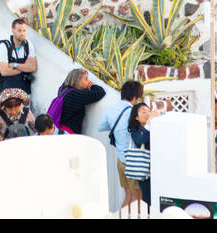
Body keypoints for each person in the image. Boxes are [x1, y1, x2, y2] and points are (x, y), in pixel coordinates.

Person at [99, 79, 146, 209]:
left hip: (121, 160)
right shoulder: (134, 112)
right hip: (134, 161)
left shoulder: (113, 110)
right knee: (137, 199)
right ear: (136, 97)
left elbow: (101, 127)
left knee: (128, 196)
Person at [49, 67, 106, 134]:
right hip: (67, 132)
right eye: (86, 79)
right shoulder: (75, 95)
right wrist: (92, 86)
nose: (88, 81)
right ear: (78, 81)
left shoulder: (63, 89)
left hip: (58, 127)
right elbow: (100, 93)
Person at [0, 17, 37, 94]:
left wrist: (14, 65)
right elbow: (4, 71)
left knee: (26, 107)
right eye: (19, 30)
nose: (22, 33)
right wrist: (24, 68)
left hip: (25, 90)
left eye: (24, 30)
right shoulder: (4, 46)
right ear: (13, 30)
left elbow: (33, 67)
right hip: (8, 91)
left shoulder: (28, 45)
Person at [125, 102, 153, 205]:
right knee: (148, 200)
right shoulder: (135, 131)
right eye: (143, 112)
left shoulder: (156, 127)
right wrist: (149, 124)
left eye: (149, 111)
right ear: (136, 117)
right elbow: (141, 140)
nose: (148, 114)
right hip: (145, 172)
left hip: (158, 170)